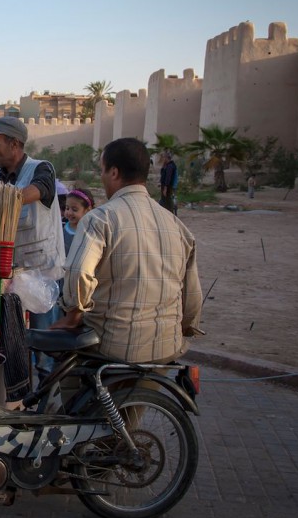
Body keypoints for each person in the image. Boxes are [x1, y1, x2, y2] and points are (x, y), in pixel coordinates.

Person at [53, 138, 202, 362]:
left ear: (114, 172)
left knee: (68, 374)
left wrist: (72, 315)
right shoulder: (177, 225)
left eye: (102, 170)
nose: (101, 177)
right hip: (166, 348)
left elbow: (79, 272)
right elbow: (192, 296)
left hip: (113, 346)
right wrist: (184, 328)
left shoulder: (100, 219)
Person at [0, 116, 65, 381]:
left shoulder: (42, 168)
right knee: (13, 347)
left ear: (15, 144)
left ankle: (47, 401)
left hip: (43, 276)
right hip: (8, 278)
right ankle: (18, 403)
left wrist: (8, 199)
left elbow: (42, 189)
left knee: (45, 347)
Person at [62, 188, 94, 254]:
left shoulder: (89, 231)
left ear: (87, 211)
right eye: (67, 208)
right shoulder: (62, 225)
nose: (69, 212)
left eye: (74, 209)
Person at [159, 150, 178, 214]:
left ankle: (170, 213)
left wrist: (165, 188)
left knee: (167, 200)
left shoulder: (170, 166)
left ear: (167, 158)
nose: (163, 159)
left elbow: (168, 177)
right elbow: (162, 173)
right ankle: (166, 212)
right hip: (166, 186)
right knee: (164, 200)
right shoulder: (167, 165)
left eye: (164, 157)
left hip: (168, 187)